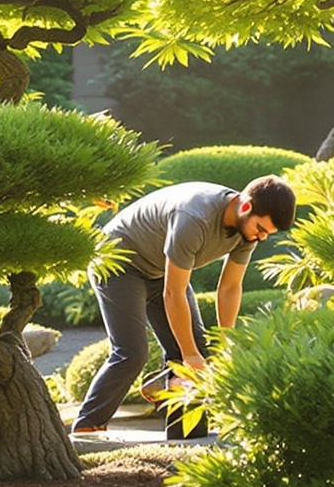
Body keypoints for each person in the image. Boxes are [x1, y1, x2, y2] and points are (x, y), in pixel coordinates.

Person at [70, 175, 298, 437]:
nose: (261, 238)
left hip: (160, 270)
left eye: (267, 234)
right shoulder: (194, 216)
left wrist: (224, 343)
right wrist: (188, 355)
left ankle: (186, 436)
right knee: (132, 352)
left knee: (198, 349)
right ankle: (87, 429)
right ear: (246, 207)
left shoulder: (247, 233)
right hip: (118, 260)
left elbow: (230, 288)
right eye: (261, 229)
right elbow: (173, 292)